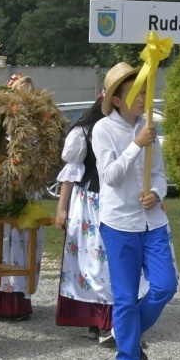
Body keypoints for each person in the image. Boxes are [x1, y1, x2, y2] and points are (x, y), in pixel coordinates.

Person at [92, 62, 178, 360]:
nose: (143, 98)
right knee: (125, 298)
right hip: (119, 224)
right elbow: (110, 177)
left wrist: (157, 191)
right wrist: (135, 145)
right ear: (116, 99)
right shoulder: (103, 130)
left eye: (145, 91)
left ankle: (125, 335)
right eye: (136, 93)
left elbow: (158, 173)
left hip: (152, 221)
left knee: (165, 286)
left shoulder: (147, 126)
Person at [0, 73, 45, 321]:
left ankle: (16, 301)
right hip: (1, 185)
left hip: (25, 188)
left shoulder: (35, 127)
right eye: (18, 94)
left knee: (22, 243)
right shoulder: (0, 125)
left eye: (27, 94)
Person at [54, 97, 115, 344]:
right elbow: (72, 172)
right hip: (90, 202)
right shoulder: (83, 132)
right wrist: (61, 208)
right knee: (91, 261)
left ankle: (109, 320)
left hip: (114, 201)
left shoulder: (126, 129)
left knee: (110, 261)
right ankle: (96, 320)